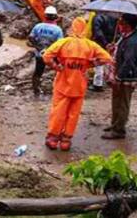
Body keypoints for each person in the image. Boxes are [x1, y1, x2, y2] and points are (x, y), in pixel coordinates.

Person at [43, 17, 112, 151]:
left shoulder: (64, 42)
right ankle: (66, 141)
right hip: (79, 85)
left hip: (63, 83)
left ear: (72, 28)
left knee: (58, 111)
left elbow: (46, 56)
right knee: (73, 114)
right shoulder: (90, 45)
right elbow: (107, 58)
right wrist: (90, 64)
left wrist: (56, 66)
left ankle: (53, 138)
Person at [102, 14, 137, 140]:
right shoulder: (126, 36)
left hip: (127, 76)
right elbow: (121, 52)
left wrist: (119, 77)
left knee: (122, 102)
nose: (119, 26)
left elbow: (129, 61)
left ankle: (119, 130)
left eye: (121, 23)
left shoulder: (133, 41)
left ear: (128, 25)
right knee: (116, 100)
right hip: (120, 73)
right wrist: (113, 48)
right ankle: (115, 124)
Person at [29, 6, 64, 96]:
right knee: (59, 71)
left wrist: (39, 47)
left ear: (45, 16)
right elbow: (60, 44)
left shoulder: (38, 26)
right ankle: (58, 88)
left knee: (38, 72)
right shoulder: (58, 30)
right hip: (53, 56)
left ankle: (36, 91)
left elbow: (31, 37)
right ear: (55, 16)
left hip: (39, 54)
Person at [91, 0, 118, 92]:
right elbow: (117, 29)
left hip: (101, 43)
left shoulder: (97, 17)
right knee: (108, 62)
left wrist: (104, 42)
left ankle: (98, 84)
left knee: (99, 63)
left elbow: (97, 32)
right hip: (111, 41)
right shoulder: (113, 15)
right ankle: (108, 79)